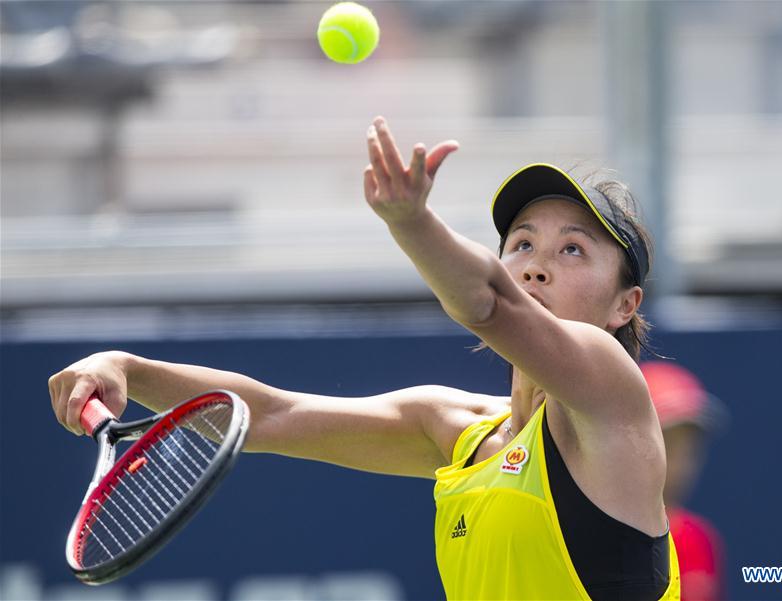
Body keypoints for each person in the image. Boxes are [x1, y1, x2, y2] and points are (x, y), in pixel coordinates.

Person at [50, 116, 680, 600]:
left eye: (573, 251)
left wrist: (411, 222)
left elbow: (489, 304)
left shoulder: (610, 396)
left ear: (624, 305)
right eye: (522, 243)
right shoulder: (454, 430)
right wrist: (127, 367)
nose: (537, 264)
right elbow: (266, 415)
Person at [640, 361, 727, 601]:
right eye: (668, 445)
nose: (682, 464)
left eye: (691, 449)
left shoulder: (698, 538)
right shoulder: (601, 532)